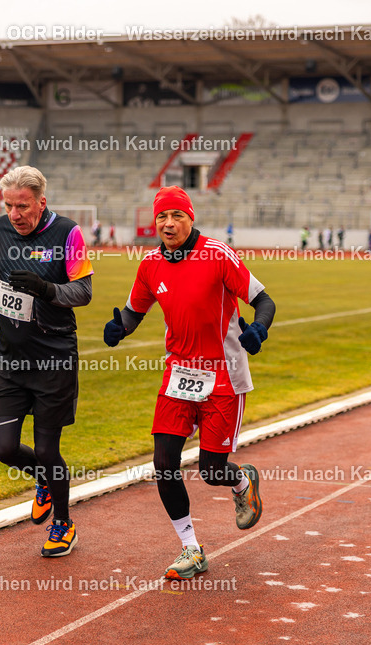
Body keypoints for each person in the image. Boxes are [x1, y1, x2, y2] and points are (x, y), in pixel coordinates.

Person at [103, 186, 276, 580]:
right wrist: (120, 329)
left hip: (223, 374)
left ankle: (240, 479)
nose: (168, 224)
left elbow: (264, 301)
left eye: (176, 216)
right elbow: (134, 310)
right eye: (162, 217)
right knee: (164, 464)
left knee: (211, 470)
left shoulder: (218, 255)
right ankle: (191, 548)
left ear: (190, 218)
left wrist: (258, 331)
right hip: (179, 374)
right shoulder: (149, 264)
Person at [0, 166, 94, 557]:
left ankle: (63, 524)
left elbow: (83, 291)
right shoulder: (0, 228)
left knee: (47, 450)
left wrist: (46, 289)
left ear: (41, 203)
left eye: (22, 206)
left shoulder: (68, 234)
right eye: (9, 206)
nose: (15, 215)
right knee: (5, 448)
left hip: (53, 359)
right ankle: (43, 479)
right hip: (10, 359)